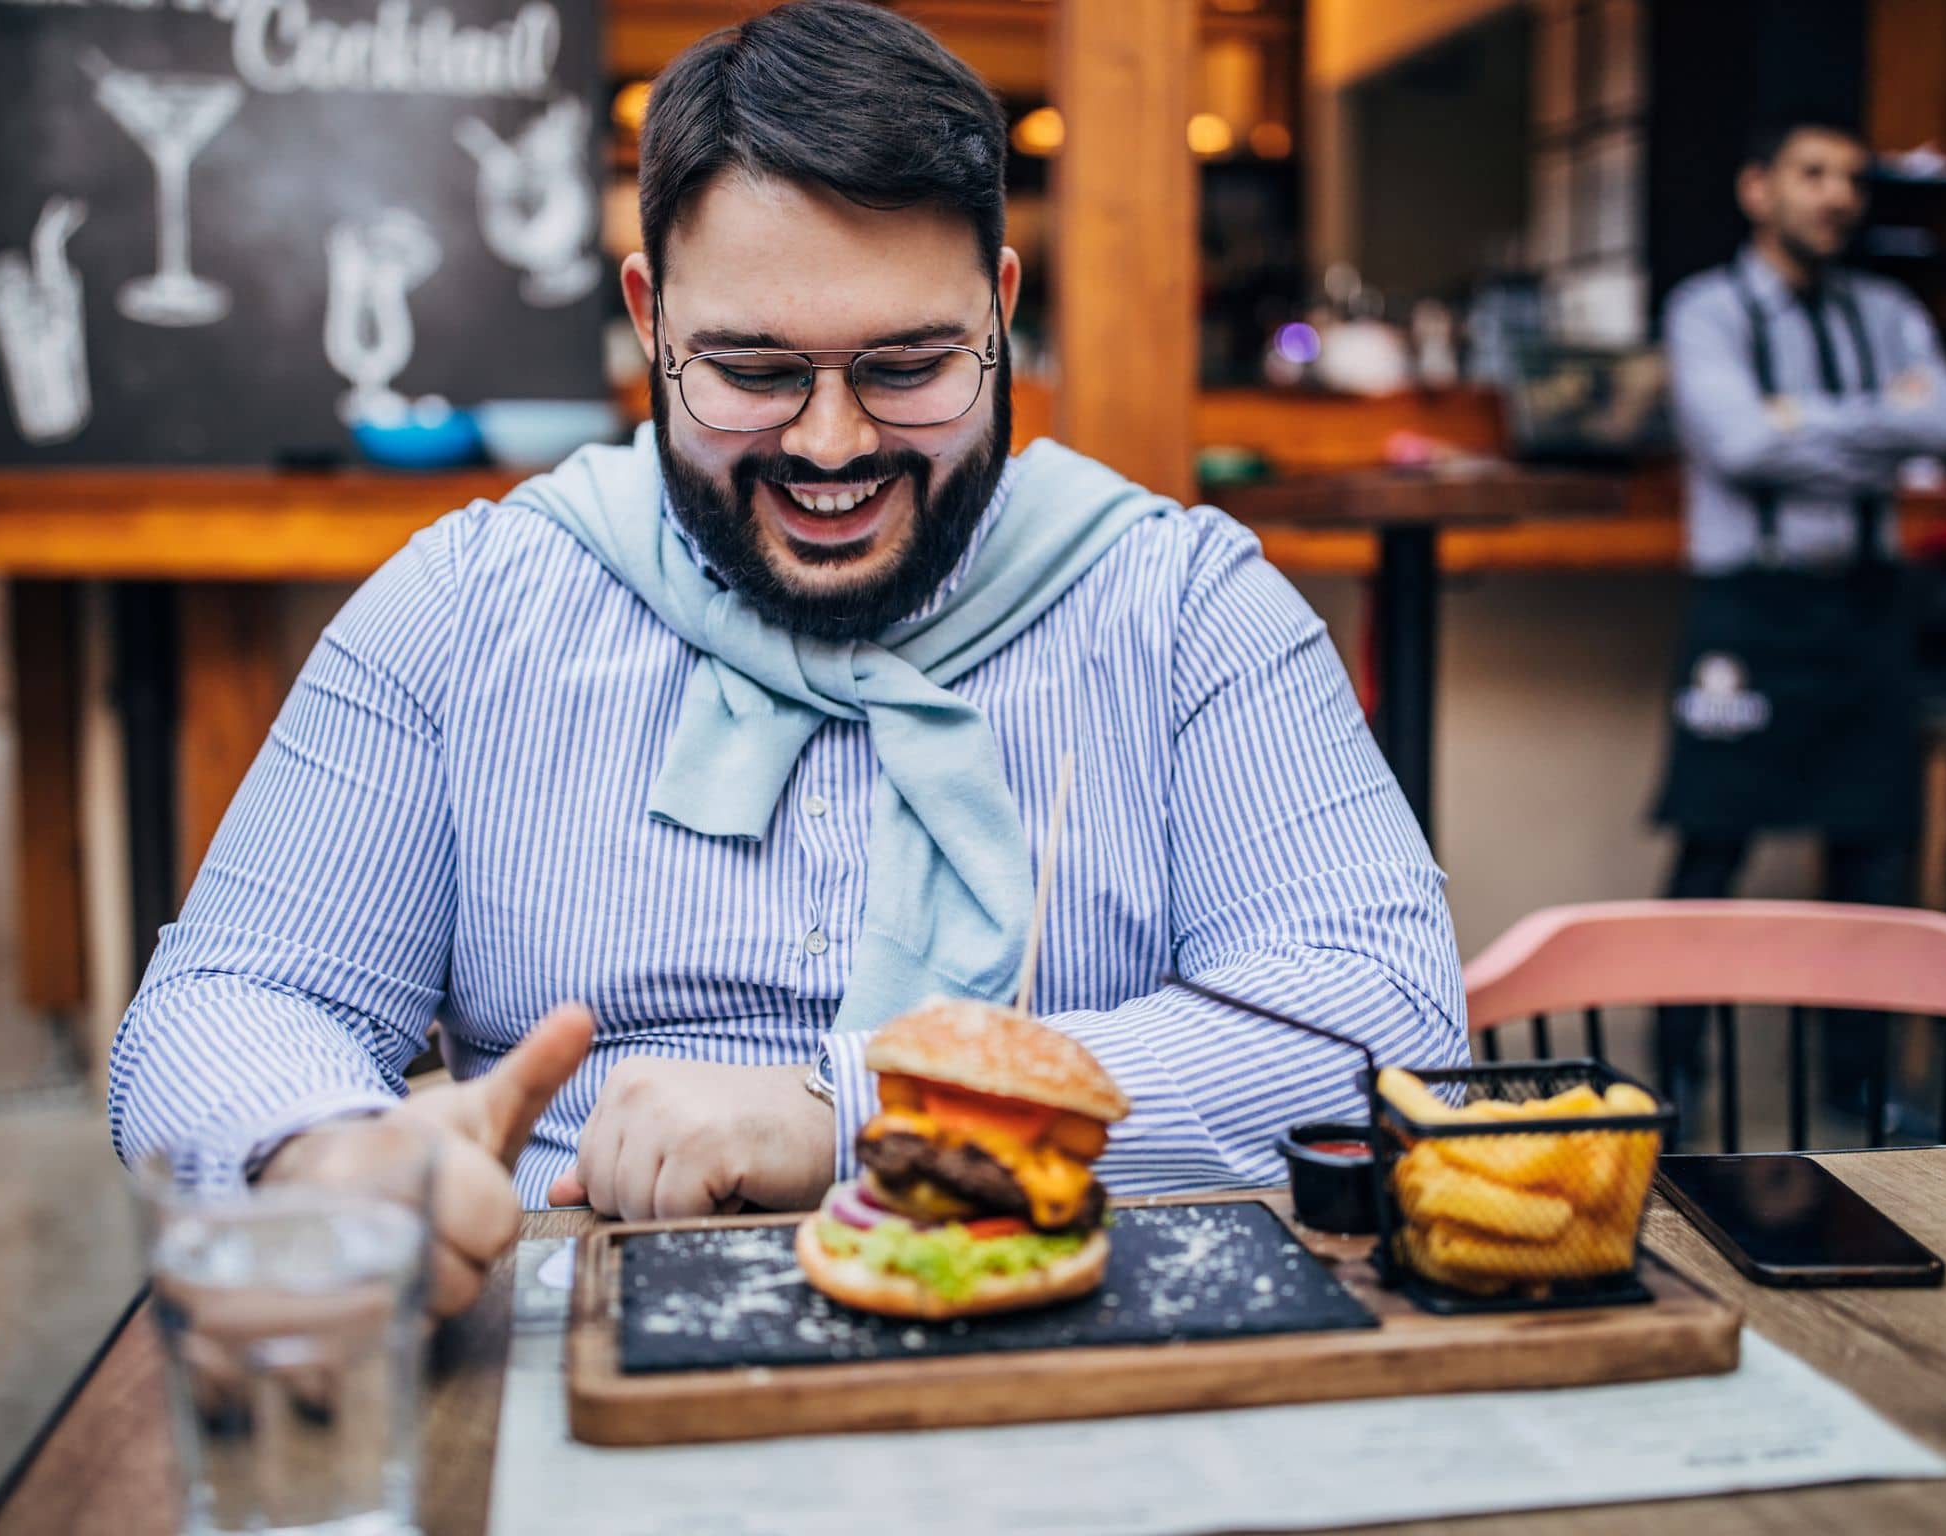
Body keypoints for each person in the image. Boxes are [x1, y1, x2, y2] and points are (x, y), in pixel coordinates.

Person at [108, 0, 1466, 1314]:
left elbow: (1389, 1026)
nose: (829, 447)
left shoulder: (1182, 611)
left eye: (909, 365)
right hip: (577, 1370)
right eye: (752, 371)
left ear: (1000, 310)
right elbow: (229, 997)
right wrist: (327, 1151)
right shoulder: (469, 608)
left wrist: (870, 1107)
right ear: (650, 319)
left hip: (1081, 1362)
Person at [1654, 108, 1946, 1126]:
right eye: (1810, 172)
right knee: (1710, 848)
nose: (1835, 195)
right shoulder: (1705, 311)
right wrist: (1879, 429)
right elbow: (1739, 443)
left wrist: (1803, 421)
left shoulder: (1881, 311)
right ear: (1758, 188)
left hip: (1868, 606)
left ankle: (1860, 1092)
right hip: (1749, 610)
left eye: (1849, 179)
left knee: (1869, 857)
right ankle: (1672, 1081)